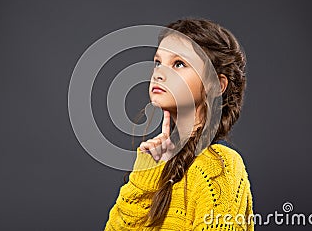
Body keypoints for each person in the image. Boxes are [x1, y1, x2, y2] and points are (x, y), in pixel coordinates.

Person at [104, 18, 254, 230]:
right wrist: (145, 178)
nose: (159, 73)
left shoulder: (220, 169)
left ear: (216, 85)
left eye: (179, 63)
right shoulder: (155, 164)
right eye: (158, 62)